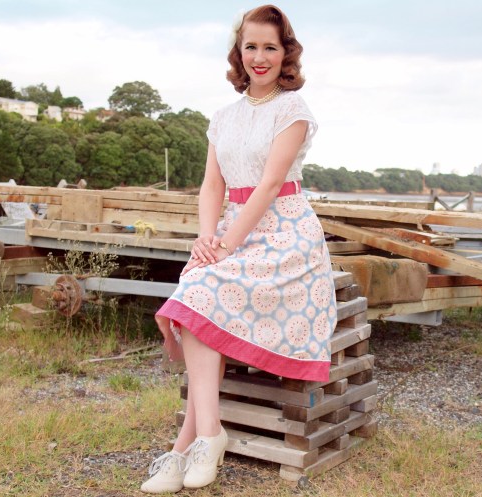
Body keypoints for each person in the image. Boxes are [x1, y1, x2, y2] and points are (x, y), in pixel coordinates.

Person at [141, 5, 337, 494]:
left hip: (285, 233)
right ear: (239, 51)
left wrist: (226, 246)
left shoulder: (293, 110)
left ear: (285, 53)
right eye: (251, 46)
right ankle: (203, 437)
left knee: (203, 290)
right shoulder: (223, 118)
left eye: (270, 47)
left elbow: (269, 185)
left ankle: (190, 444)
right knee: (196, 289)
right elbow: (212, 186)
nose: (260, 57)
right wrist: (207, 239)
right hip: (232, 228)